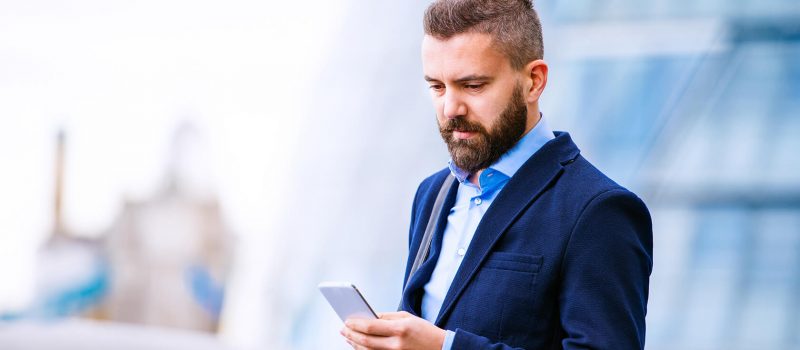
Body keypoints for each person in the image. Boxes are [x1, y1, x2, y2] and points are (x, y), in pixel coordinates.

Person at [341, 0, 653, 349]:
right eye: (437, 87)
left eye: (473, 86)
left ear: (534, 82)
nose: (451, 109)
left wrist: (445, 347)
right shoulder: (433, 193)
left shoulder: (598, 211)